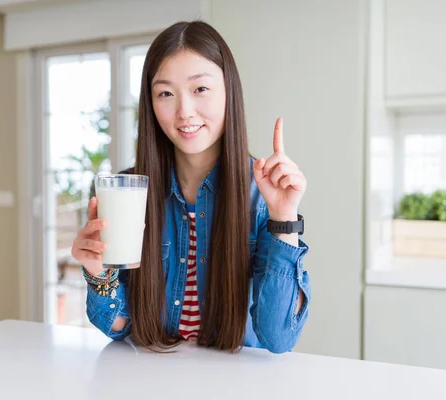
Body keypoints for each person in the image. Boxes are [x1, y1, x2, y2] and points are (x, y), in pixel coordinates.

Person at [71, 20, 311, 354]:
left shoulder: (261, 196)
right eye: (165, 93)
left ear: (229, 91)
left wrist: (284, 217)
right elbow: (119, 327)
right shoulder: (126, 194)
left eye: (200, 89)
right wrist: (98, 273)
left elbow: (278, 338)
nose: (184, 112)